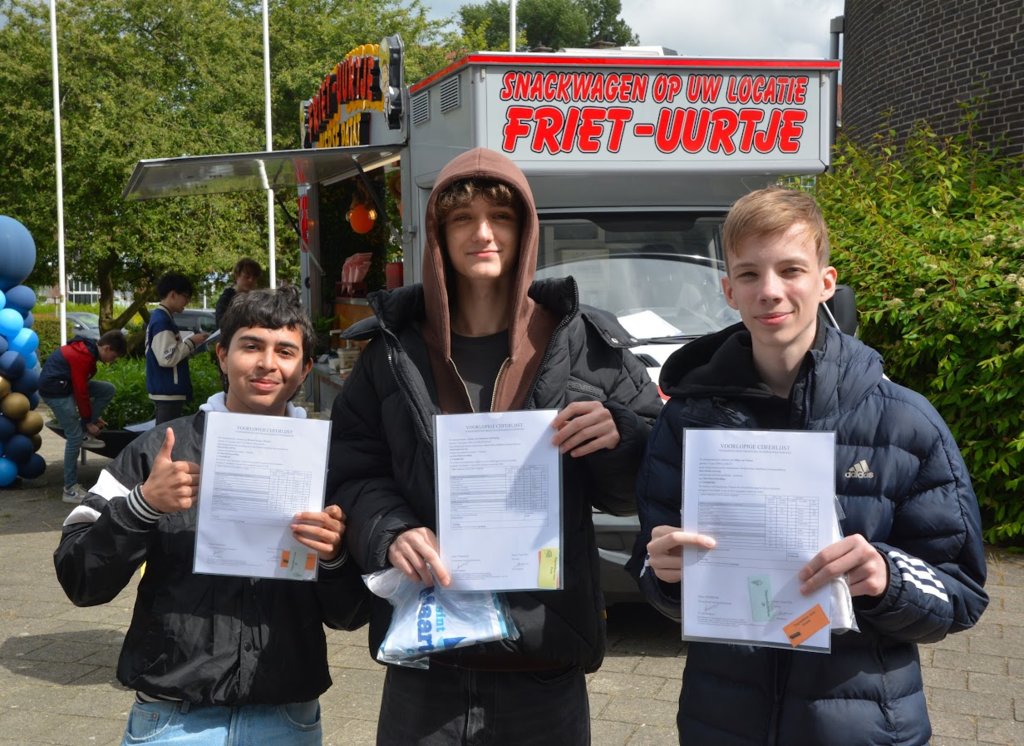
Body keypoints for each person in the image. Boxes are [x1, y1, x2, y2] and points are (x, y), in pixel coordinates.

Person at [629, 186, 989, 746]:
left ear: (825, 282)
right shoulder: (688, 420)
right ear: (729, 291)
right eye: (749, 274)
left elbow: (960, 593)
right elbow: (650, 567)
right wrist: (665, 576)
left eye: (791, 269)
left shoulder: (905, 421)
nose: (770, 291)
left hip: (863, 727)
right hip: (723, 721)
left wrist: (887, 576)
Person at [326, 147, 662, 745]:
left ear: (525, 230)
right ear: (438, 233)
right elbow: (350, 470)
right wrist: (390, 530)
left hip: (544, 658)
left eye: (501, 217)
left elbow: (647, 475)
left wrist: (621, 436)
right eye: (462, 218)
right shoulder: (392, 350)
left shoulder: (582, 341)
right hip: (426, 661)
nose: (483, 233)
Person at [54, 286, 370, 746]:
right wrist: (142, 506)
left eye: (285, 351)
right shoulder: (159, 451)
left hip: (286, 718)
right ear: (222, 356)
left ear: (304, 369)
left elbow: (349, 615)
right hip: (172, 719)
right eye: (251, 346)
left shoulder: (328, 464)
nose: (267, 364)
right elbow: (79, 579)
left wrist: (335, 557)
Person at [39, 329, 127, 503]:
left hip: (65, 385)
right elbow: (81, 392)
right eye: (114, 356)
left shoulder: (89, 351)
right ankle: (70, 489)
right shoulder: (83, 356)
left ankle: (84, 434)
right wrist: (87, 421)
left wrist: (91, 417)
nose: (113, 360)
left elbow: (81, 388)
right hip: (55, 392)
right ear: (107, 348)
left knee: (107, 390)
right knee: (74, 437)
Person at [146, 272, 209, 424]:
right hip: (167, 389)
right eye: (185, 296)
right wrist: (192, 341)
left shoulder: (163, 317)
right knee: (166, 434)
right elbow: (167, 358)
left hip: (167, 389)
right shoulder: (162, 321)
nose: (187, 301)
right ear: (173, 294)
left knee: (166, 432)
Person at [215, 257, 262, 328]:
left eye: (254, 277)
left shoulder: (257, 300)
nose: (251, 280)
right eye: (247, 276)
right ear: (237, 276)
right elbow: (222, 325)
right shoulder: (226, 299)